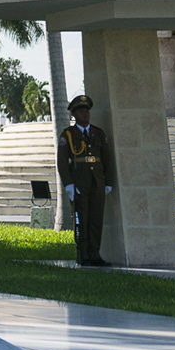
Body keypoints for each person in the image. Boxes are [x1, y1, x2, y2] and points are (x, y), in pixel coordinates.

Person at [57, 95, 113, 267]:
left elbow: (107, 159)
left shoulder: (98, 133)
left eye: (87, 111)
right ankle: (83, 254)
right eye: (81, 111)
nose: (85, 114)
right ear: (74, 114)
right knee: (82, 219)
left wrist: (108, 181)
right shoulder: (68, 134)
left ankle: (95, 254)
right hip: (80, 183)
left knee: (96, 220)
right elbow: (62, 162)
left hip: (97, 182)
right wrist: (69, 184)